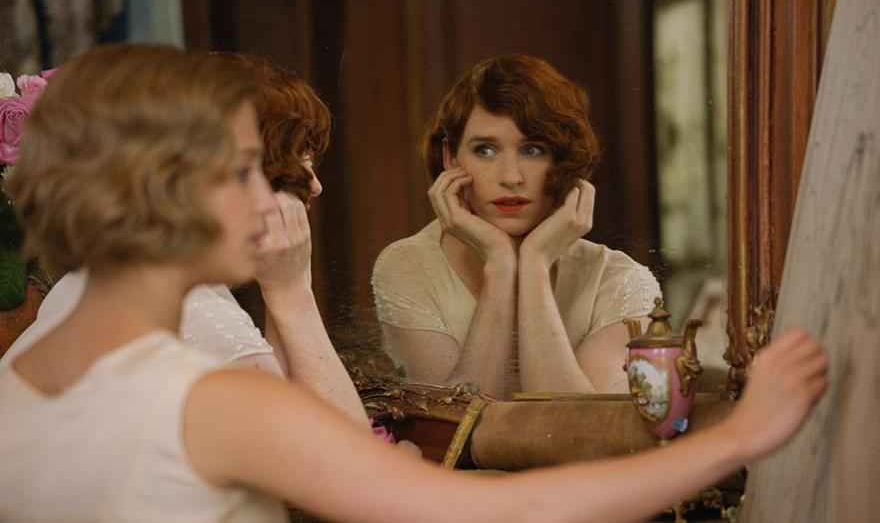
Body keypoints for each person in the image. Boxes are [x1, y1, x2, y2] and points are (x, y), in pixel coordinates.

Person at [0, 44, 828, 523]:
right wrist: (735, 438)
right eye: (249, 169)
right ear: (173, 191)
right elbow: (498, 517)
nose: (290, 193)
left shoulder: (23, 375)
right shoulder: (211, 398)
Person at [0, 52, 369, 426]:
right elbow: (345, 452)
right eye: (298, 165)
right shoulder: (199, 321)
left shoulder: (103, 283)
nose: (316, 187)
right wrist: (294, 297)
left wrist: (279, 286)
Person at [373, 54, 661, 399]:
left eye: (533, 150)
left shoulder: (620, 281)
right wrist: (500, 264)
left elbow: (574, 426)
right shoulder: (408, 266)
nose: (511, 177)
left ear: (563, 159)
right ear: (451, 158)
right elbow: (454, 424)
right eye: (485, 150)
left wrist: (534, 263)